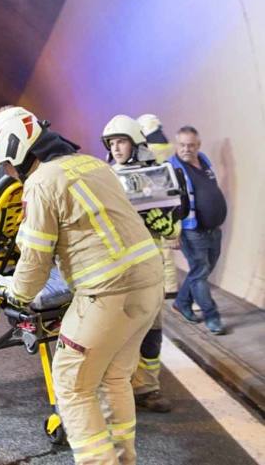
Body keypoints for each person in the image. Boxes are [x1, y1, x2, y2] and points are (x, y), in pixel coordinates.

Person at [0, 106, 163, 465]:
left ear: (19, 153)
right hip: (149, 284)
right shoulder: (95, 165)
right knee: (115, 377)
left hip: (105, 294)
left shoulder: (40, 183)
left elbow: (34, 262)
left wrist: (12, 293)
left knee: (73, 386)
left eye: (5, 164)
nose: (6, 173)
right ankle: (124, 459)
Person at [102, 115, 182, 413]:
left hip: (149, 269)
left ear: (135, 143)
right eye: (112, 143)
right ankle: (118, 387)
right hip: (117, 270)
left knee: (152, 329)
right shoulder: (105, 178)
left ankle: (147, 387)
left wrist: (162, 221)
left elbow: (172, 226)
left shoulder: (155, 178)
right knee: (117, 331)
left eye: (121, 141)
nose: (116, 147)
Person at [169, 126, 228, 335]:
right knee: (200, 273)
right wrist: (174, 232)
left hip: (213, 230)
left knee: (200, 271)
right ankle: (212, 316)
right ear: (177, 145)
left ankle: (182, 302)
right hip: (192, 231)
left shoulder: (203, 160)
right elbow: (168, 203)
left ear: (198, 145)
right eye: (183, 145)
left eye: (191, 145)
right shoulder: (171, 169)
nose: (187, 149)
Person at [137, 114, 180, 298]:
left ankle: (169, 287)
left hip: (152, 202)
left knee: (162, 250)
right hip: (170, 202)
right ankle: (171, 286)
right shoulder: (169, 148)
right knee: (169, 248)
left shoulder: (148, 151)